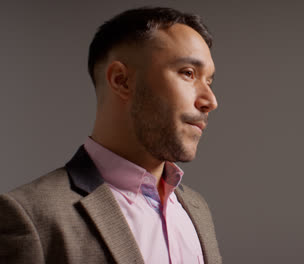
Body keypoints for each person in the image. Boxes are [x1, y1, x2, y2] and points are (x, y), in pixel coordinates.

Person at [0, 7, 222, 264]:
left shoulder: (197, 209)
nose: (211, 101)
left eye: (210, 82)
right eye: (188, 73)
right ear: (121, 80)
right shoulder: (31, 218)